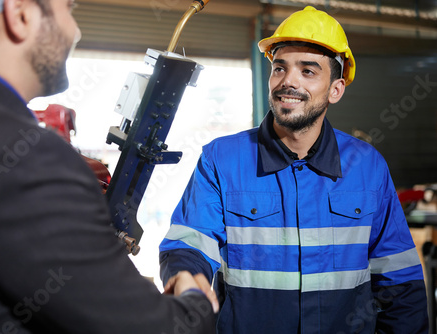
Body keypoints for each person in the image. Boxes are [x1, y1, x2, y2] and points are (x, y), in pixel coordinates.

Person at [0, 0, 218, 333]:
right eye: (68, 10)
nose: (76, 31)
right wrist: (194, 303)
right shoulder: (28, 160)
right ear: (21, 14)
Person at [159, 6, 428, 334]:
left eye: (308, 71)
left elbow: (399, 285)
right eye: (279, 68)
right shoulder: (221, 160)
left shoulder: (368, 167)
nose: (288, 81)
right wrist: (185, 274)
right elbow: (190, 243)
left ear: (336, 89)